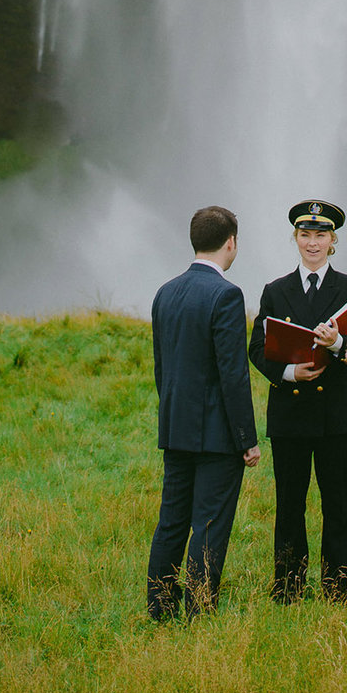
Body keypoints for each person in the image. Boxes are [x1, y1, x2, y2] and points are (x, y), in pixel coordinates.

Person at [248, 199, 347, 602]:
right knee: (289, 504)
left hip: (335, 415)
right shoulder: (275, 290)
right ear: (295, 238)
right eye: (305, 235)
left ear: (333, 240)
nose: (312, 242)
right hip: (290, 413)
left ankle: (338, 588)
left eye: (320, 235)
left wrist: (338, 343)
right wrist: (288, 373)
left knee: (338, 503)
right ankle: (287, 589)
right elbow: (257, 348)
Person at [147, 205, 261, 620]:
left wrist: (171, 418)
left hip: (175, 428)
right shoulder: (226, 295)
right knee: (210, 526)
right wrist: (246, 440)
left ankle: (159, 609)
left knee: (172, 523)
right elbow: (233, 375)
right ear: (230, 242)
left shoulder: (165, 292)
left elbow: (163, 367)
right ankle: (198, 611)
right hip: (216, 436)